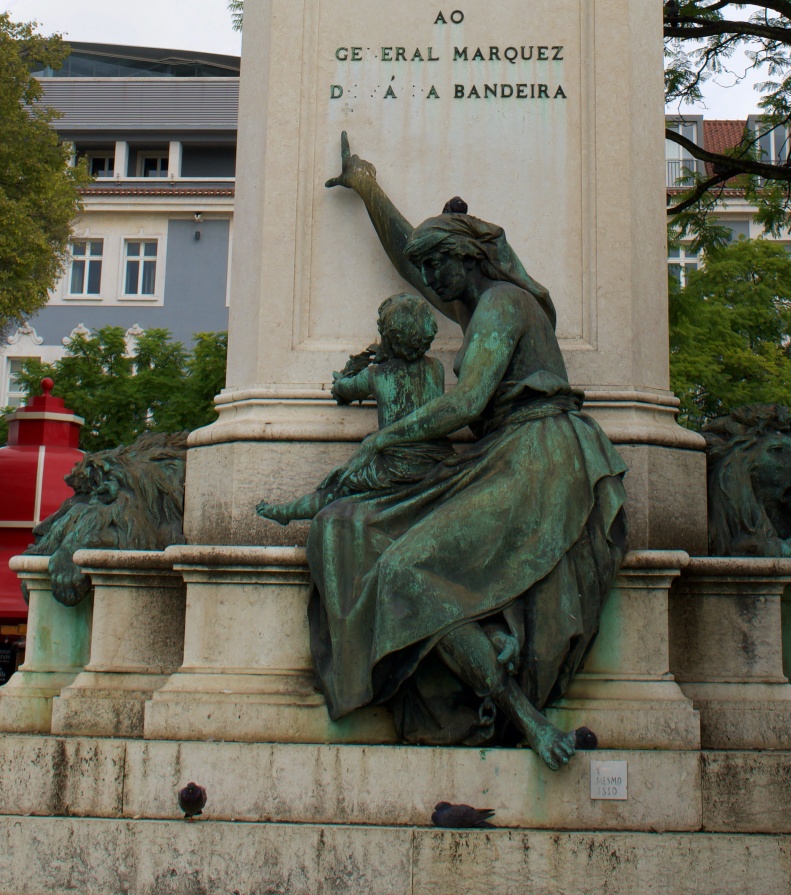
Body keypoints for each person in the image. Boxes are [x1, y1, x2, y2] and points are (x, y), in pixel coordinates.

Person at [306, 134, 630, 770]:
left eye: (439, 270)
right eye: (428, 274)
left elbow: (467, 403)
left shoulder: (503, 307)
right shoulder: (484, 302)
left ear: (466, 259)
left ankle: (524, 716)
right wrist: (368, 188)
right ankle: (493, 661)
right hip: (508, 455)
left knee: (404, 570)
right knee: (348, 527)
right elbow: (411, 259)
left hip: (541, 459)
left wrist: (384, 436)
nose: (430, 285)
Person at [257, 293, 453, 524]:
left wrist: (341, 381)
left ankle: (287, 512)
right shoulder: (436, 368)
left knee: (336, 488)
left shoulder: (376, 375)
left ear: (389, 337)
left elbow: (344, 390)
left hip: (396, 466)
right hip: (436, 463)